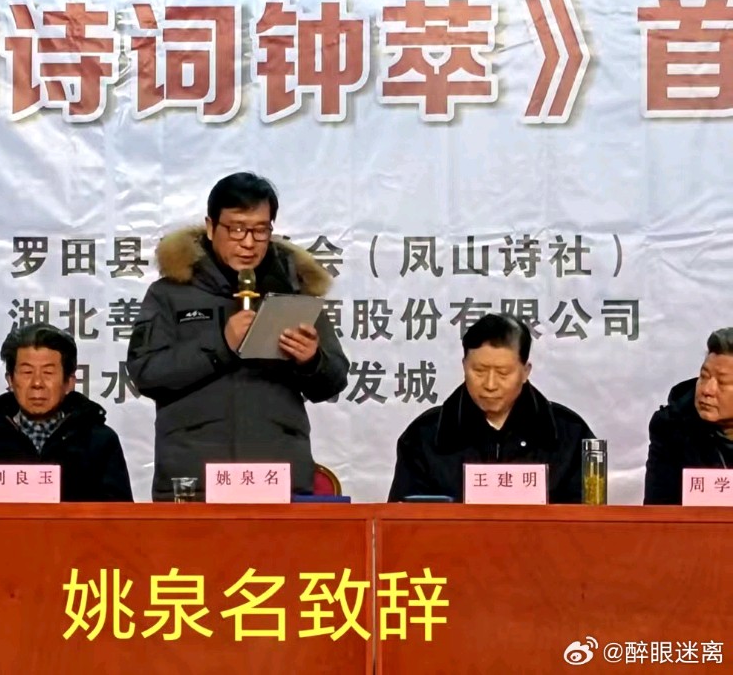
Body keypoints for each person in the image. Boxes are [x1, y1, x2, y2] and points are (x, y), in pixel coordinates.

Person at [127, 171, 349, 500]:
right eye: (237, 229)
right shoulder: (171, 293)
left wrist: (311, 360)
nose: (248, 243)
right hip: (195, 481)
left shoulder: (293, 291)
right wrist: (221, 344)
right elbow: (145, 373)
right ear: (211, 226)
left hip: (277, 478)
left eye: (260, 230)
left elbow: (333, 381)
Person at [388, 312, 594, 503]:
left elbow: (589, 522)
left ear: (525, 371)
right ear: (464, 366)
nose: (490, 384)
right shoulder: (425, 436)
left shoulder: (570, 436)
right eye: (479, 371)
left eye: (503, 373)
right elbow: (402, 523)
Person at [0, 322, 133, 501]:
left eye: (48, 373)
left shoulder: (100, 441)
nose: (37, 383)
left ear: (69, 382)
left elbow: (121, 518)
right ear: (10, 380)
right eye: (27, 372)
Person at [644, 328, 733, 504]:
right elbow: (659, 510)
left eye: (722, 382)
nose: (707, 390)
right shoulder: (672, 427)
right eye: (704, 376)